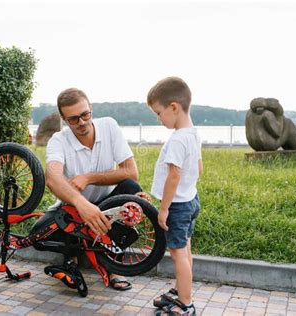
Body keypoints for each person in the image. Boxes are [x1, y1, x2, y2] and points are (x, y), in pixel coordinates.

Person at [43, 87, 145, 290]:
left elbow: (131, 172)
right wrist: (82, 204)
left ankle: (113, 262)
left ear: (91, 109)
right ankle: (71, 260)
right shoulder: (58, 140)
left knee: (131, 188)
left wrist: (89, 178)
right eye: (73, 119)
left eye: (85, 115)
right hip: (75, 211)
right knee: (40, 234)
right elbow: (52, 177)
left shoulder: (109, 126)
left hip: (107, 207)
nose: (81, 123)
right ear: (64, 120)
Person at [147, 77, 203, 315]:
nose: (158, 119)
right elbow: (199, 168)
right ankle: (182, 290)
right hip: (191, 200)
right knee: (186, 248)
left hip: (178, 206)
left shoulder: (178, 139)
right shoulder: (192, 133)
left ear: (173, 107)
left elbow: (173, 176)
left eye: (158, 113)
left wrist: (164, 208)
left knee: (178, 254)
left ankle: (185, 303)